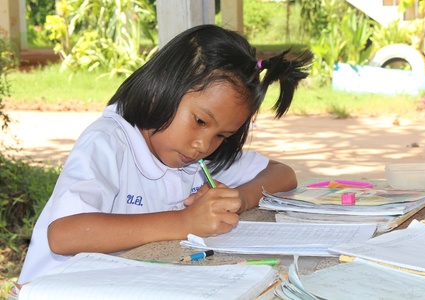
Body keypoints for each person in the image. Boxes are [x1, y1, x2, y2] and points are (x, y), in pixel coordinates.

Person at [18, 24, 313, 284]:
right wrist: (186, 221)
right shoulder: (109, 141)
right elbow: (65, 235)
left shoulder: (196, 158)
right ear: (161, 89)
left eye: (222, 136)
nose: (204, 145)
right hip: (56, 288)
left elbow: (283, 175)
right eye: (199, 121)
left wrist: (240, 199)